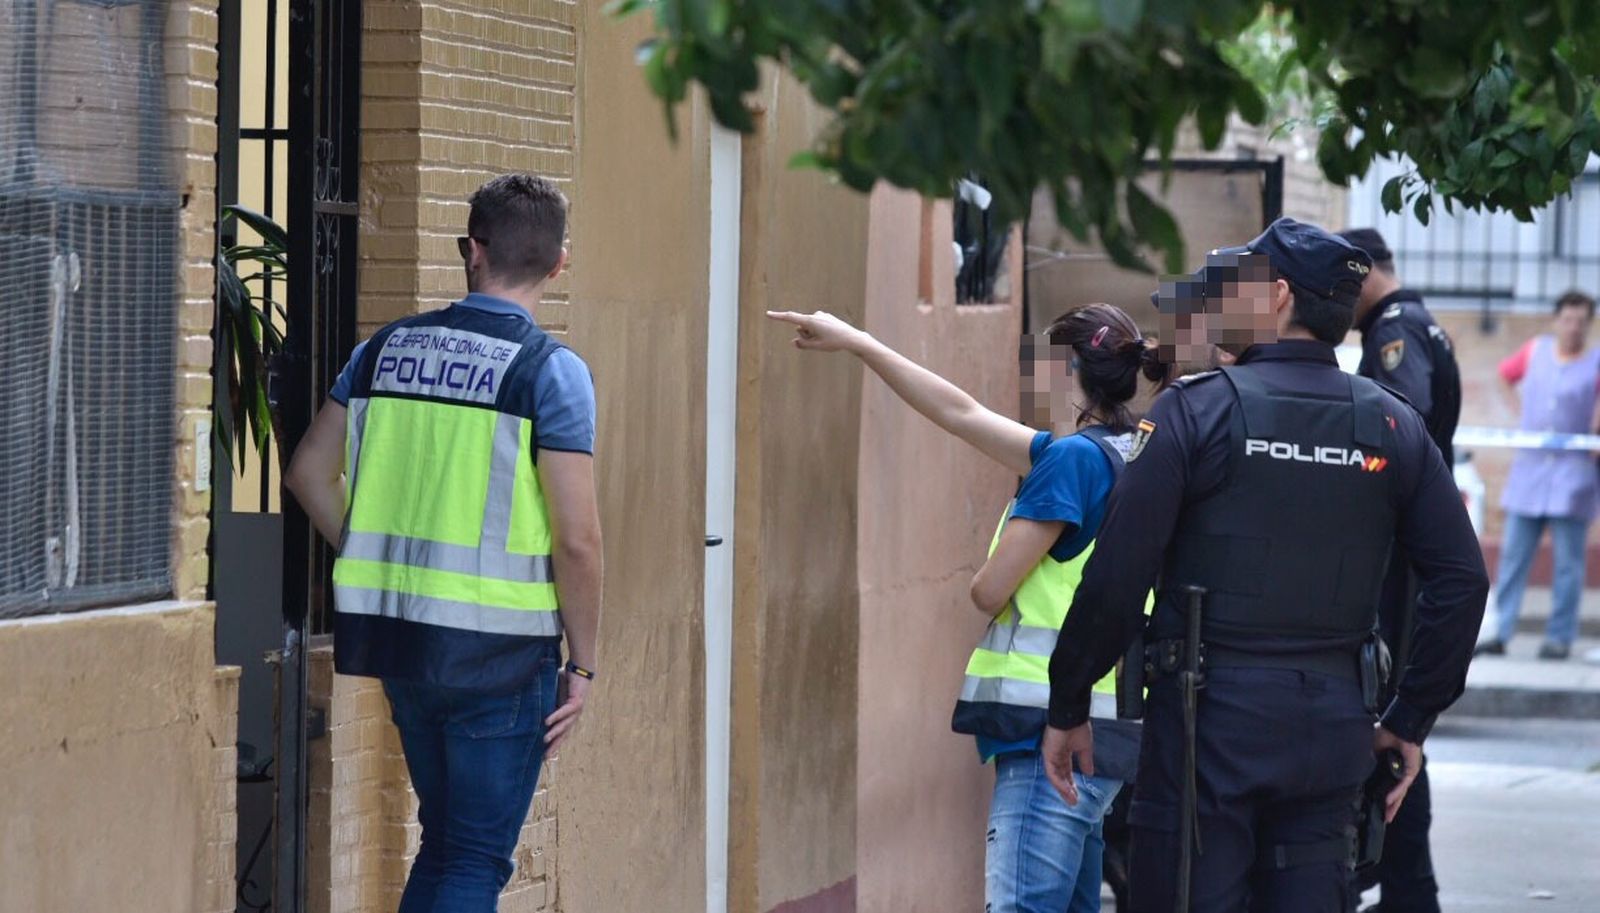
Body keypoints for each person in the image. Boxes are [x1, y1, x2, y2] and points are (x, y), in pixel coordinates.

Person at [1040, 218, 1489, 913]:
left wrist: (1069, 703)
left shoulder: (1196, 413)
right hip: (1333, 728)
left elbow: (1118, 575)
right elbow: (1462, 580)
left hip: (1207, 727)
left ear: (1278, 296)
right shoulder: (1392, 423)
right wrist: (1410, 717)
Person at [766, 302, 1170, 913]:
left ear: (1066, 369)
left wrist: (990, 565)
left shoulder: (1070, 461)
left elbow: (990, 589)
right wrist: (859, 343)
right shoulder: (1129, 453)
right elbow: (961, 413)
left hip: (1046, 732)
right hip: (1106, 735)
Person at [285, 174, 602, 912]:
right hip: (502, 655)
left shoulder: (382, 350)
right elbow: (578, 540)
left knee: (446, 845)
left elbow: (307, 473)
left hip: (404, 643)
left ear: (472, 250)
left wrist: (373, 553)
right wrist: (583, 663)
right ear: (559, 264)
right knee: (474, 859)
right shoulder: (550, 372)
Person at [1339, 227, 1463, 913]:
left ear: (1363, 275)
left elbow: (1398, 420)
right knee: (1394, 727)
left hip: (1400, 558)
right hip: (1410, 550)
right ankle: (1408, 889)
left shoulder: (1396, 331)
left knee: (1389, 726)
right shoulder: (1416, 321)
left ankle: (1406, 890)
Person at [1477, 290, 1600, 661]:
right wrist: (1519, 412)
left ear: (1589, 325)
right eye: (1568, 319)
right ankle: (1500, 630)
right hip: (1530, 471)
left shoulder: (1595, 362)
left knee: (1568, 563)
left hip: (1573, 472)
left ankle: (1559, 637)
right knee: (1514, 556)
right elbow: (1504, 376)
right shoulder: (1535, 351)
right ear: (1556, 320)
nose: (1573, 327)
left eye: (1581, 321)